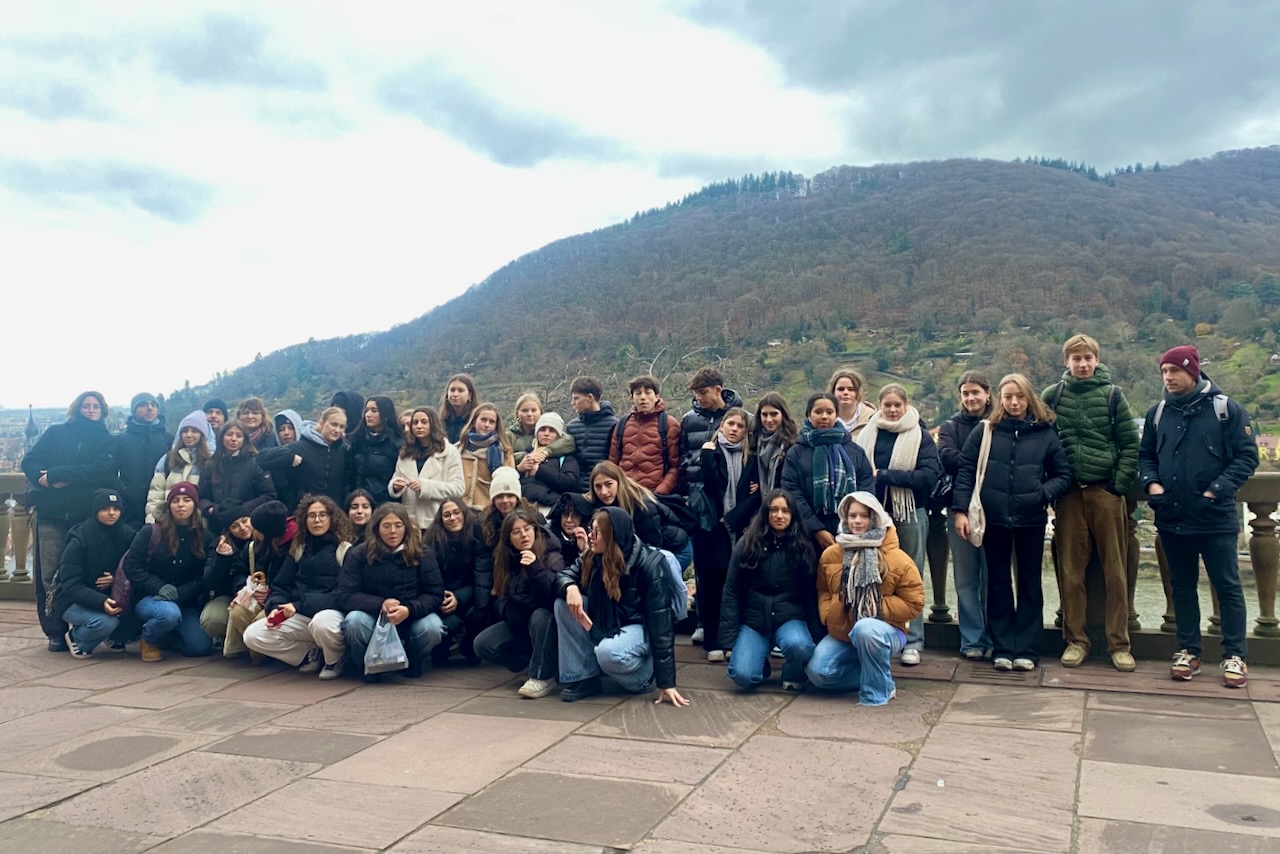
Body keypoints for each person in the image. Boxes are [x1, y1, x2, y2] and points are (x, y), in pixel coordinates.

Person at [1139, 345, 1259, 688]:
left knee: (1228, 586)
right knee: (1182, 587)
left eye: (1174, 371)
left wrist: (1216, 489)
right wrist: (1153, 486)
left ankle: (1235, 655)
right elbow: (1145, 455)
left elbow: (1246, 458)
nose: (1168, 378)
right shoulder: (1158, 413)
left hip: (1215, 515)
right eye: (1164, 372)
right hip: (1172, 515)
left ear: (1193, 371)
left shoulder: (1226, 410)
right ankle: (1188, 650)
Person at [953, 374, 1071, 672]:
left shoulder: (1045, 433)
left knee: (1030, 582)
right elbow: (966, 472)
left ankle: (1028, 649)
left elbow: (1063, 474)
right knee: (998, 582)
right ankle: (1003, 647)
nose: (1014, 402)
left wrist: (1042, 494)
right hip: (993, 519)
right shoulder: (985, 432)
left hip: (1030, 518)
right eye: (1008, 397)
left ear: (1029, 398)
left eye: (1019, 397)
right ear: (1000, 400)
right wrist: (960, 511)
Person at [1042, 333, 1141, 672]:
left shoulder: (1114, 396)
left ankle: (1119, 644)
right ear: (1066, 361)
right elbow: (1041, 443)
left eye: (1088, 358)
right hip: (1069, 496)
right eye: (1076, 359)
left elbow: (1130, 444)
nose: (1082, 364)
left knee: (1115, 571)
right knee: (1070, 573)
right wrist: (1054, 485)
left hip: (1105, 493)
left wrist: (1117, 485)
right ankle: (1077, 641)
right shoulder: (1052, 396)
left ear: (1097, 360)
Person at [555, 507, 689, 706]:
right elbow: (564, 575)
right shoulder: (592, 556)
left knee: (608, 653)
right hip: (610, 626)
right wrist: (570, 587)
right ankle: (583, 677)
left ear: (613, 535)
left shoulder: (649, 565)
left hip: (640, 629)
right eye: (590, 530)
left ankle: (643, 677)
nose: (591, 537)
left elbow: (662, 626)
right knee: (563, 604)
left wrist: (666, 682)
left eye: (597, 532)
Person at [21, 390, 118, 650]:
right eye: (85, 406)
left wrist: (56, 473)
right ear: (76, 409)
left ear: (102, 411)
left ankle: (81, 624)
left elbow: (99, 471)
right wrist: (43, 478)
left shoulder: (107, 440)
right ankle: (55, 631)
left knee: (83, 573)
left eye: (95, 406)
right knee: (49, 575)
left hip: (85, 517)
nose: (90, 410)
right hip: (50, 514)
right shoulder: (56, 433)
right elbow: (29, 461)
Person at [806, 492, 924, 705]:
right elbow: (823, 590)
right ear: (845, 518)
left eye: (864, 516)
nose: (857, 521)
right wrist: (827, 614)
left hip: (887, 630)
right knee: (818, 674)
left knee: (866, 629)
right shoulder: (831, 554)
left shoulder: (897, 557)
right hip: (842, 631)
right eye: (852, 516)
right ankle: (875, 674)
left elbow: (915, 603)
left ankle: (876, 694)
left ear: (875, 518)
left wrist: (872, 606)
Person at [855, 383, 941, 666]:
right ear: (879, 406)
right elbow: (859, 472)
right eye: (887, 405)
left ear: (905, 405)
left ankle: (913, 641)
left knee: (911, 575)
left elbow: (928, 476)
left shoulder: (920, 436)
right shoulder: (867, 434)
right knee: (872, 575)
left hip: (909, 514)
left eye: (897, 405)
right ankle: (879, 634)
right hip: (873, 516)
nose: (892, 410)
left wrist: (885, 475)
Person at [243, 495, 353, 680]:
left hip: (331, 613)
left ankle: (335, 659)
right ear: (304, 519)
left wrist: (298, 605)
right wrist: (275, 606)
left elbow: (343, 595)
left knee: (321, 622)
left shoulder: (345, 549)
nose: (317, 520)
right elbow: (280, 585)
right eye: (311, 516)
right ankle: (309, 653)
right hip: (300, 612)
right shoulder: (299, 548)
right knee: (253, 635)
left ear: (332, 518)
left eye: (322, 515)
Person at [720, 490, 820, 691]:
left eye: (785, 510)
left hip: (789, 618)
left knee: (799, 646)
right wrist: (728, 640)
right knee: (743, 676)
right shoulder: (746, 544)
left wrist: (817, 635)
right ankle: (759, 665)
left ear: (793, 515)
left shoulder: (803, 546)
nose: (779, 515)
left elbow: (810, 594)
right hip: (754, 621)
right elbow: (731, 591)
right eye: (773, 510)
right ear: (765, 514)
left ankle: (793, 672)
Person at [338, 503, 446, 680]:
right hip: (373, 616)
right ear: (377, 528)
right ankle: (368, 665)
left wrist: (409, 609)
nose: (393, 531)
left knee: (433, 627)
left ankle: (413, 661)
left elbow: (435, 593)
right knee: (353, 622)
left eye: (398, 525)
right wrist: (380, 604)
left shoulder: (422, 552)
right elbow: (345, 594)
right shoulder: (359, 554)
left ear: (406, 527)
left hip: (411, 616)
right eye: (386, 526)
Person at [690, 407, 759, 662]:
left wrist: (731, 519)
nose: (734, 429)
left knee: (737, 584)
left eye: (740, 426)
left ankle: (734, 639)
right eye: (730, 424)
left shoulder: (750, 458)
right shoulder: (711, 452)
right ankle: (713, 641)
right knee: (711, 585)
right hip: (710, 529)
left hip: (738, 527)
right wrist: (707, 455)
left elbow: (756, 495)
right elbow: (712, 484)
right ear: (722, 425)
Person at [473, 508, 563, 698]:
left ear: (535, 530)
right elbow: (499, 595)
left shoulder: (551, 554)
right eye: (516, 531)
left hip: (546, 623)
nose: (523, 535)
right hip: (519, 622)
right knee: (482, 644)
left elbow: (550, 599)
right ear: (509, 538)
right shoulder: (504, 558)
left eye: (527, 529)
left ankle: (542, 676)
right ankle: (532, 660)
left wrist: (535, 568)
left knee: (540, 616)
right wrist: (507, 611)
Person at [937, 371, 993, 660]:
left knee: (994, 577)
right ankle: (972, 640)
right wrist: (982, 463)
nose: (970, 398)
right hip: (959, 510)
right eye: (965, 393)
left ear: (987, 393)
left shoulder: (1001, 422)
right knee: (966, 578)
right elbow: (946, 456)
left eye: (975, 392)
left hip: (996, 511)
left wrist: (969, 463)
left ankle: (993, 637)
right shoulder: (950, 427)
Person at [124, 482, 216, 661]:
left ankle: (168, 636)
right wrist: (158, 587)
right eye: (176, 501)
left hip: (185, 601)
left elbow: (205, 576)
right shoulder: (150, 532)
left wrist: (182, 593)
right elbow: (132, 567)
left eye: (187, 500)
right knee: (168, 614)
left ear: (194, 505)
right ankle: (148, 638)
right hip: (151, 597)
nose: (181, 505)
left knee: (200, 647)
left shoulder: (204, 536)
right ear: (169, 505)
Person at [782, 392, 875, 551]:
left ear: (836, 415)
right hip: (807, 534)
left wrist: (853, 523)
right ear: (808, 414)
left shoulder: (854, 450)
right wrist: (816, 529)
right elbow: (791, 491)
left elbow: (866, 488)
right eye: (818, 412)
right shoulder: (796, 452)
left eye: (829, 412)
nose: (824, 417)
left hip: (850, 531)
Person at [205, 501, 295, 657]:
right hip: (238, 595)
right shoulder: (234, 546)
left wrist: (271, 594)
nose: (242, 528)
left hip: (281, 598)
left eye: (245, 521)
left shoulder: (288, 546)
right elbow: (213, 580)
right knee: (232, 613)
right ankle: (252, 651)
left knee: (260, 620)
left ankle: (264, 649)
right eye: (234, 526)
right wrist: (243, 588)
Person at [54, 489, 135, 658]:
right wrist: (101, 601)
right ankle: (77, 637)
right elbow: (70, 585)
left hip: (112, 596)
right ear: (96, 511)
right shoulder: (79, 539)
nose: (111, 513)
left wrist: (116, 579)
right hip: (72, 600)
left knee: (141, 609)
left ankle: (115, 637)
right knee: (105, 623)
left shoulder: (128, 535)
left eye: (116, 509)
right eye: (105, 509)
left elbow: (138, 568)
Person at [424, 499, 493, 666]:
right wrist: (443, 597)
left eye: (456, 513)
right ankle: (440, 651)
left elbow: (482, 577)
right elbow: (429, 578)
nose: (452, 518)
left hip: (469, 594)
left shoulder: (477, 537)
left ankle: (470, 648)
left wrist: (459, 597)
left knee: (479, 613)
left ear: (464, 514)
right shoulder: (431, 542)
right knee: (450, 623)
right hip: (441, 597)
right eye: (446, 515)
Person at [390, 406, 464, 531]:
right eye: (415, 423)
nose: (419, 426)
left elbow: (458, 488)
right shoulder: (405, 452)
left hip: (436, 518)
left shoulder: (449, 452)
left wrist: (425, 487)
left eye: (424, 422)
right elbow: (396, 477)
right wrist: (395, 486)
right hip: (410, 521)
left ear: (433, 424)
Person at [259, 407, 349, 506]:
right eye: (334, 424)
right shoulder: (300, 447)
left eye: (341, 427)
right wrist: (288, 457)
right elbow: (262, 459)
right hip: (305, 513)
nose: (337, 430)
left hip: (335, 513)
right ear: (322, 422)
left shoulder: (343, 450)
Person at [198, 421, 277, 533]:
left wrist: (242, 509)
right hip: (217, 525)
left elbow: (269, 495)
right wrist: (211, 510)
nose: (233, 439)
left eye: (239, 436)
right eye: (229, 434)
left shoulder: (256, 462)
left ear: (244, 439)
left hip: (247, 526)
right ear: (221, 437)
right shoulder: (210, 464)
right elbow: (202, 495)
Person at [609, 374, 681, 495]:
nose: (643, 397)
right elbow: (612, 463)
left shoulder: (669, 424)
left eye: (648, 393)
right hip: (625, 493)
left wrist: (660, 492)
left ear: (657, 396)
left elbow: (676, 466)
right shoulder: (622, 423)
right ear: (632, 397)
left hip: (654, 495)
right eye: (638, 393)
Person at [115, 392, 173, 529]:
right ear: (134, 411)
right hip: (129, 510)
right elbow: (109, 474)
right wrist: (125, 490)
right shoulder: (120, 441)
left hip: (160, 508)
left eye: (153, 405)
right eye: (143, 405)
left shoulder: (168, 439)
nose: (149, 408)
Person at [145, 410, 213, 524]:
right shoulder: (168, 459)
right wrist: (152, 524)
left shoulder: (211, 461)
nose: (189, 435)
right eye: (185, 431)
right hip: (168, 525)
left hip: (199, 526)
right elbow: (155, 496)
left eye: (194, 431)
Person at [517, 412, 580, 511]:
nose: (546, 433)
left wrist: (539, 471)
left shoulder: (566, 458)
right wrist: (519, 469)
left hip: (552, 509)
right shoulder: (526, 455)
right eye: (542, 429)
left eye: (552, 431)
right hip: (524, 510)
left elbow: (570, 484)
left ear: (558, 436)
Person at [456, 403, 514, 511]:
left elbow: (509, 484)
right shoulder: (458, 450)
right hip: (460, 509)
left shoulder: (504, 452)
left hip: (488, 510)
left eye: (491, 422)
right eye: (483, 420)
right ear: (474, 421)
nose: (487, 425)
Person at [565, 376, 619, 491]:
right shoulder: (572, 427)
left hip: (605, 490)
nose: (572, 403)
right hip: (577, 489)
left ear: (590, 398)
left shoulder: (615, 425)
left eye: (576, 398)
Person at [350, 395, 403, 507]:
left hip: (383, 504)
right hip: (357, 503)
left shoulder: (396, 445)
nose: (368, 415)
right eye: (367, 410)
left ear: (385, 413)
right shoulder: (356, 441)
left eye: (374, 411)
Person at [750, 392, 798, 491]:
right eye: (764, 414)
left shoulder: (793, 444)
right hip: (757, 503)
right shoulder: (752, 441)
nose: (769, 419)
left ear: (783, 414)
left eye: (774, 414)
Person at [828, 368, 874, 436]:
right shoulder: (824, 420)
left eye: (851, 389)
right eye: (841, 389)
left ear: (858, 392)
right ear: (833, 392)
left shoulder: (872, 419)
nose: (846, 392)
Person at [440, 374, 479, 444]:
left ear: (470, 395)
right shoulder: (440, 422)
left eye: (460, 391)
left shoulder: (478, 420)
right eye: (452, 390)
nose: (455, 394)